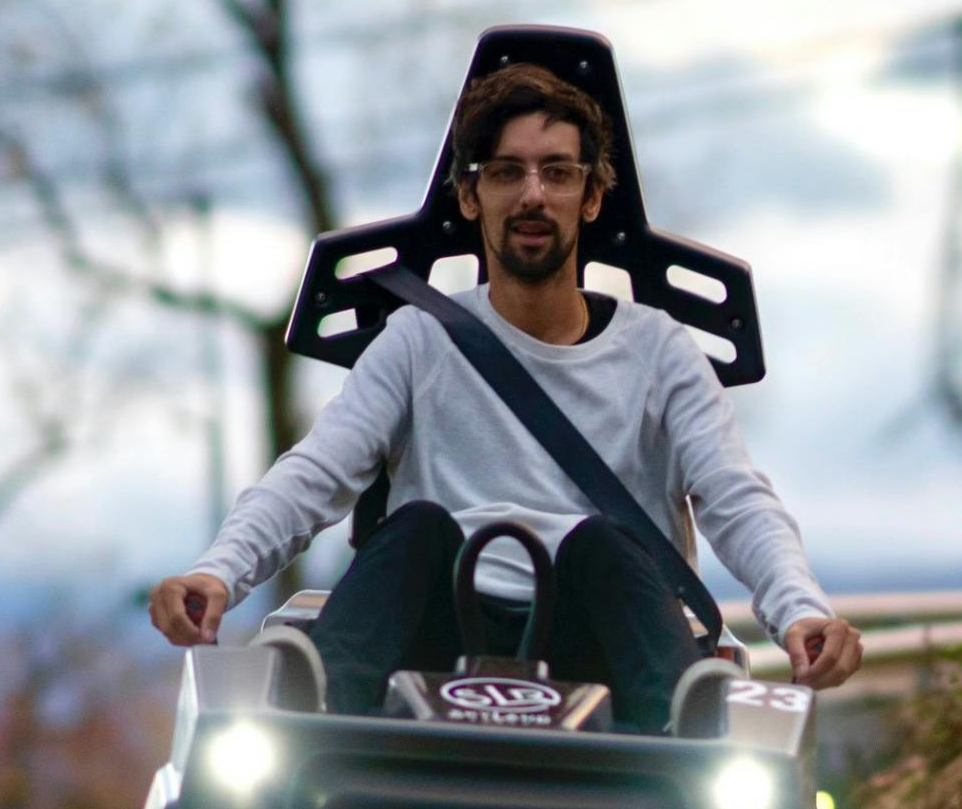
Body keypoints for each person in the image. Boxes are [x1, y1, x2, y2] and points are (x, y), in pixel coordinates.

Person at [147, 63, 867, 726]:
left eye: (557, 173)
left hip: (603, 650)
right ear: (470, 194)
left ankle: (685, 718)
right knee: (416, 529)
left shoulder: (659, 351)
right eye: (506, 172)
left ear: (591, 198)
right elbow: (317, 471)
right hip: (432, 644)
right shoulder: (417, 339)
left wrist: (799, 612)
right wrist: (219, 572)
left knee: (603, 545)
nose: (532, 194)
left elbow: (734, 495)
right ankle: (318, 700)